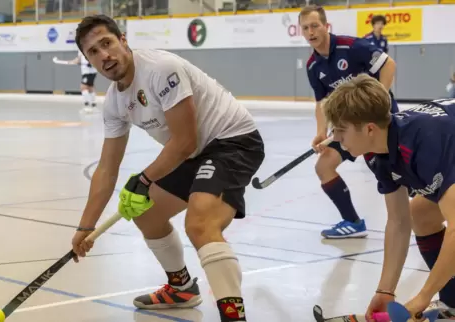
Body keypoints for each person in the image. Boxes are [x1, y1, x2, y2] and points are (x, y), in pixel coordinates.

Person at [70, 14, 265, 322]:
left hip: (232, 142)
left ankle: (234, 317)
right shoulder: (114, 103)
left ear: (123, 40)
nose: (103, 55)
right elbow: (107, 169)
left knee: (200, 224)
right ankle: (181, 288)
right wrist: (85, 228)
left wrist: (145, 179)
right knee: (146, 213)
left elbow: (186, 141)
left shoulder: (161, 69)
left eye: (106, 43)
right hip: (194, 153)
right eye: (93, 51)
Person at [322, 73, 455, 321]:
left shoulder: (425, 144)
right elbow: (398, 221)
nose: (337, 140)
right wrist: (386, 290)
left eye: (341, 131)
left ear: (370, 128)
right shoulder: (377, 152)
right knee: (420, 212)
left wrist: (423, 296)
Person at [299, 5, 398, 239]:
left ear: (326, 26)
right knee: (323, 166)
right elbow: (322, 102)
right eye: (305, 28)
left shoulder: (352, 46)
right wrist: (321, 132)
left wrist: (374, 104)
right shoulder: (313, 66)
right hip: (349, 126)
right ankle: (353, 222)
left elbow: (388, 65)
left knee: (392, 173)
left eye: (315, 25)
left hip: (377, 122)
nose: (311, 31)